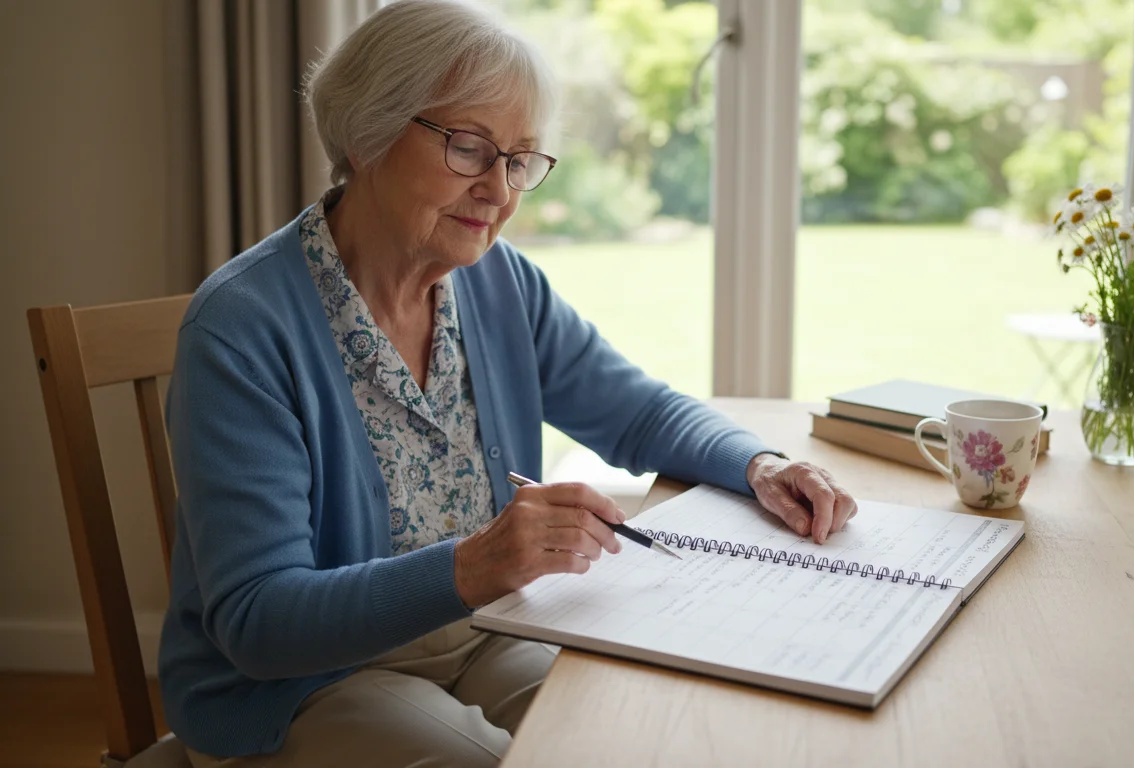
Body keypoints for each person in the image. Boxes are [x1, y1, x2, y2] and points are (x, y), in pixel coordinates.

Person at [161, 1, 858, 765]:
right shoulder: (241, 330)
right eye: (469, 148)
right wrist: (475, 565)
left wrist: (760, 465)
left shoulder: (498, 286)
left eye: (520, 159)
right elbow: (260, 622)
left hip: (482, 631)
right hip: (300, 687)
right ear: (368, 133)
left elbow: (636, 412)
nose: (499, 190)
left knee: (641, 723)